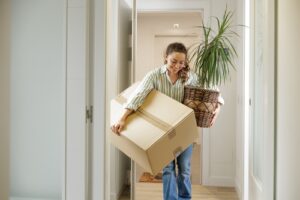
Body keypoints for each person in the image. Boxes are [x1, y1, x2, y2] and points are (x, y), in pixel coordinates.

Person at [111, 42, 223, 200]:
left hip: (185, 131)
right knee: (168, 169)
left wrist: (217, 110)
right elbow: (138, 96)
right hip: (163, 133)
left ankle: (185, 198)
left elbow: (213, 90)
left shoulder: (190, 76)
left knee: (184, 169)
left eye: (181, 62)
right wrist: (123, 118)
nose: (177, 66)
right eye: (173, 61)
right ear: (166, 58)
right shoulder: (154, 76)